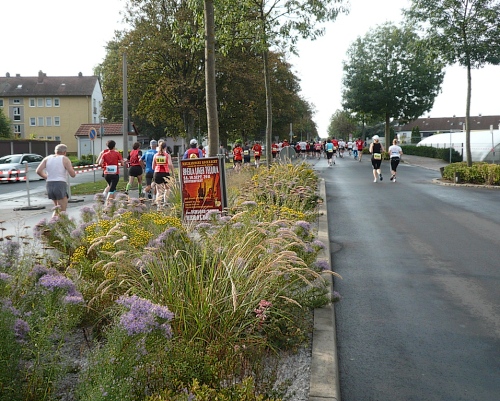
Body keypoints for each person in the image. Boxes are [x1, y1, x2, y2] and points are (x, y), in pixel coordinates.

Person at [36, 144, 76, 216]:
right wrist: (72, 171)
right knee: (62, 210)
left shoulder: (47, 158)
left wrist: (47, 177)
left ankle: (54, 222)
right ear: (65, 152)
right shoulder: (65, 159)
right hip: (60, 183)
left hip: (49, 184)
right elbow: (72, 174)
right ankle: (56, 222)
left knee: (57, 209)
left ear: (55, 151)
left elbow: (38, 171)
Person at [152, 141, 175, 211]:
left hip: (157, 173)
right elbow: (170, 164)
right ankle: (165, 202)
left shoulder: (155, 155)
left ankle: (159, 206)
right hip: (165, 173)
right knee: (167, 189)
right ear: (165, 148)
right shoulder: (167, 155)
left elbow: (153, 166)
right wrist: (173, 172)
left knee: (159, 191)